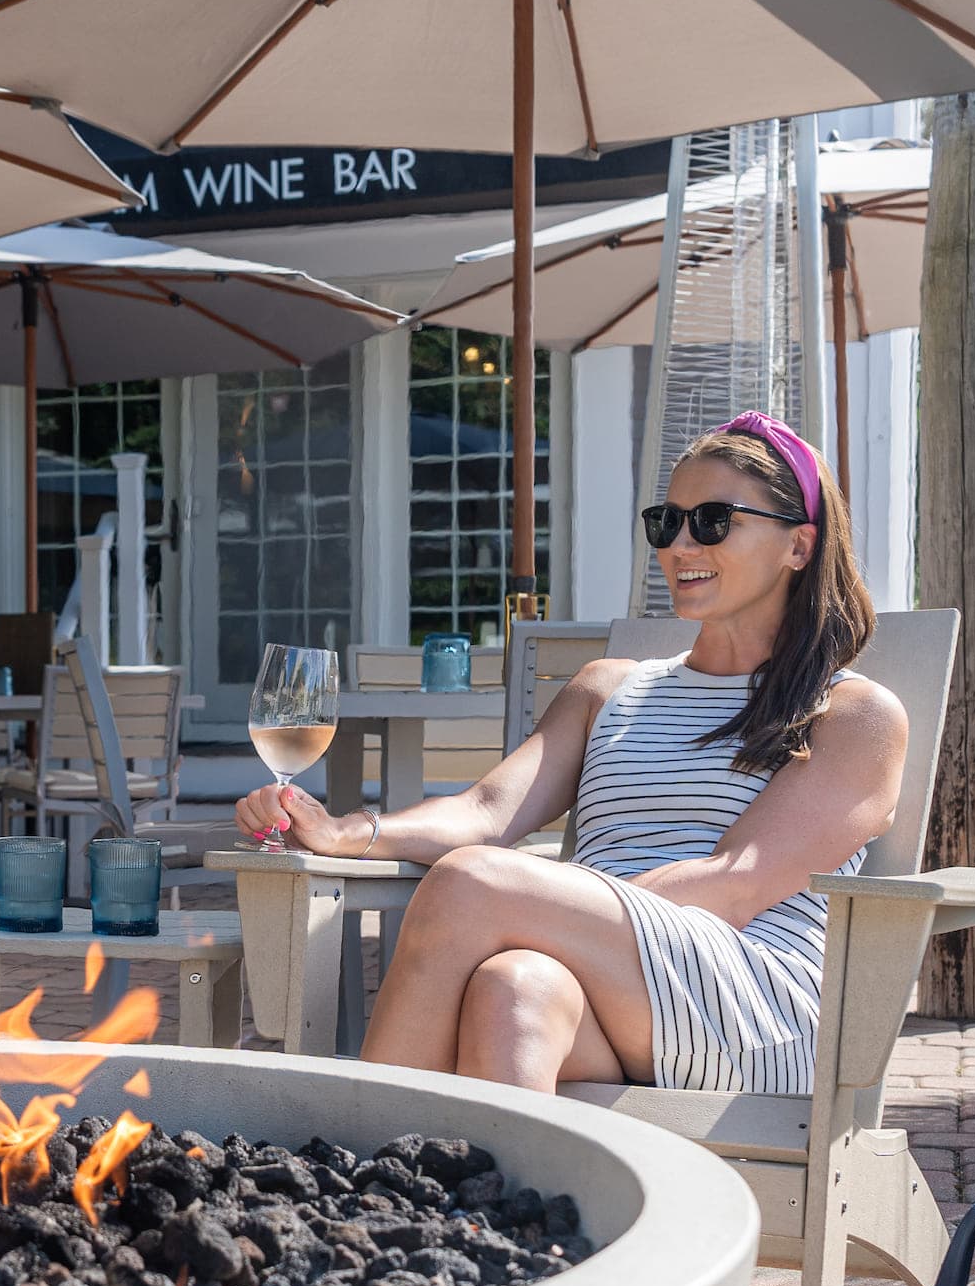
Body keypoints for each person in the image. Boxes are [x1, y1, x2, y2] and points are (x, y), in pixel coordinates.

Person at [235, 412, 906, 1096]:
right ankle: (483, 1205)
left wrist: (552, 910)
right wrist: (350, 830)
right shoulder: (607, 688)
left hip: (752, 1011)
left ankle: (348, 1160)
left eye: (711, 520)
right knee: (512, 988)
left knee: (474, 885)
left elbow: (735, 881)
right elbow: (486, 809)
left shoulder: (853, 713)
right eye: (665, 522)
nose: (679, 543)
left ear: (799, 545)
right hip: (609, 991)